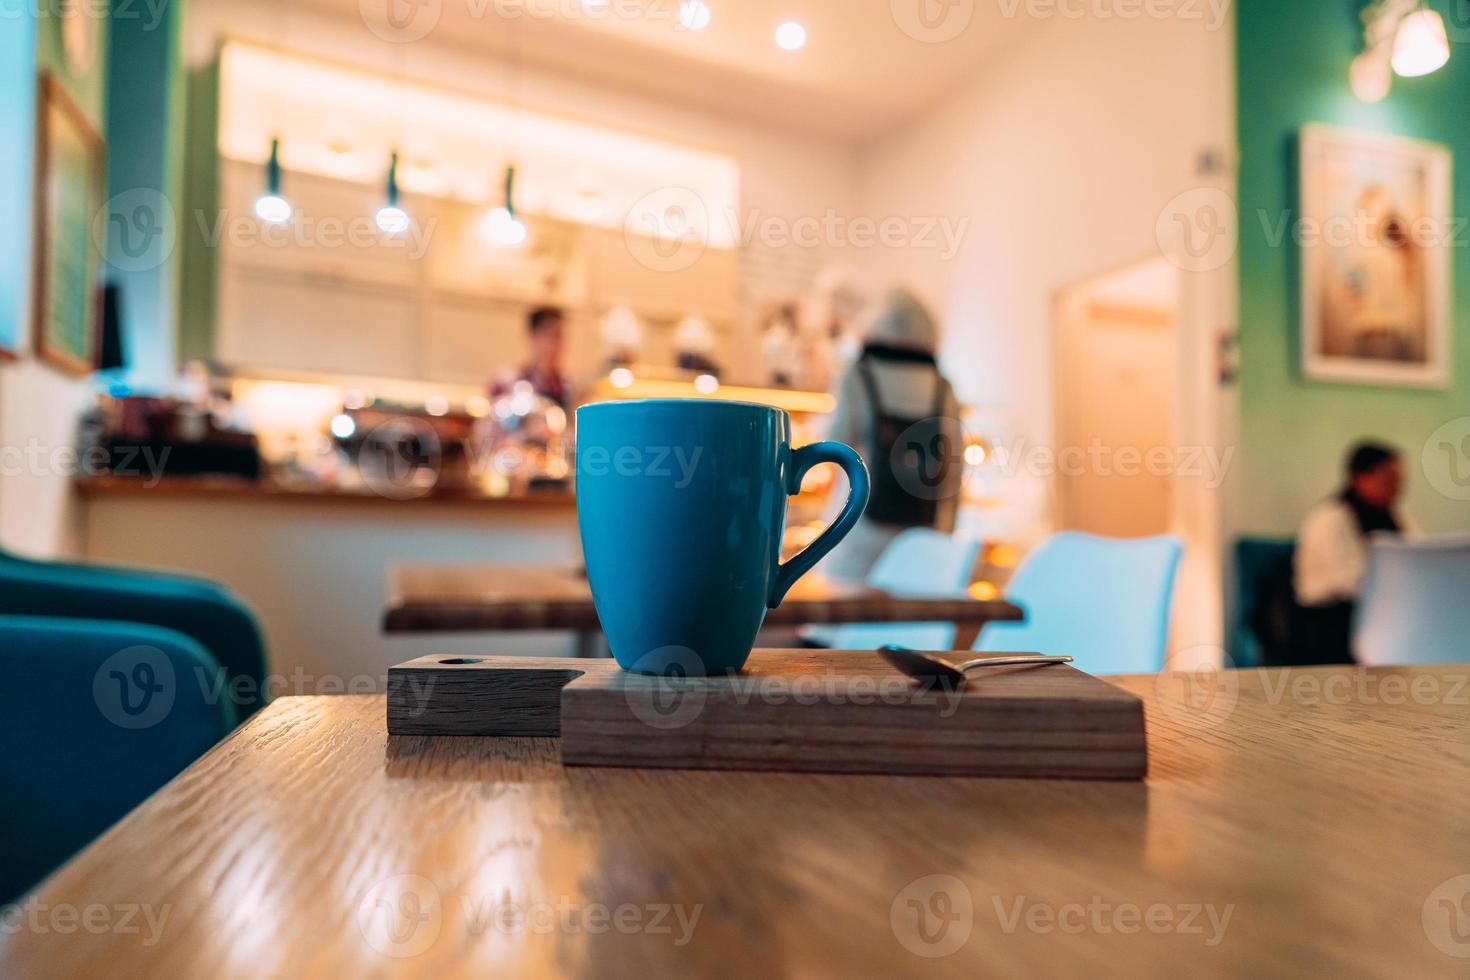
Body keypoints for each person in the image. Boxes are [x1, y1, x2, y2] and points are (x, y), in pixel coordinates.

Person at [819, 289, 964, 583]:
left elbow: (832, 448)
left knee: (845, 620)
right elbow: (954, 467)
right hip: (921, 536)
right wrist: (945, 534)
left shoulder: (857, 376)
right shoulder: (941, 386)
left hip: (857, 530)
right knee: (905, 623)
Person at [1291, 441, 1410, 664]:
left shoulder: (1393, 520)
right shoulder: (1330, 519)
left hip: (1373, 616)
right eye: (1388, 479)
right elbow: (1350, 581)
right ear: (1358, 478)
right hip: (1329, 626)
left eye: (1399, 480)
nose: (1397, 487)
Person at [492, 306, 570, 409]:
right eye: (548, 335)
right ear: (532, 336)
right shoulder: (506, 381)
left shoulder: (568, 386)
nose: (553, 344)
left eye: (558, 336)